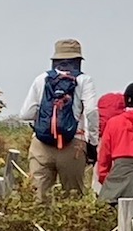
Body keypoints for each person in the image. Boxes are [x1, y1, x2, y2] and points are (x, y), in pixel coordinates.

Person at [20, 39, 99, 198]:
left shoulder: (41, 79)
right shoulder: (84, 80)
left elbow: (25, 114)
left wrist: (45, 120)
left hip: (41, 144)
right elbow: (91, 111)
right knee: (73, 198)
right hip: (73, 144)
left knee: (37, 197)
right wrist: (92, 141)